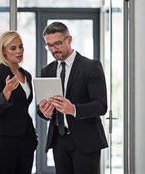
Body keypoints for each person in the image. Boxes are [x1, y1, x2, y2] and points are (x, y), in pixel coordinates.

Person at [37, 22, 108, 174]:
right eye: (49, 45)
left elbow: (101, 106)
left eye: (57, 43)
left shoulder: (91, 66)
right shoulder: (47, 70)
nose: (53, 50)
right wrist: (44, 112)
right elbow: (41, 108)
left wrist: (73, 109)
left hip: (86, 140)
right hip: (59, 140)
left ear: (69, 39)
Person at [0, 31, 38, 174]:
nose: (19, 51)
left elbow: (23, 107)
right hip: (3, 142)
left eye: (21, 47)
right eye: (13, 48)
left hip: (25, 141)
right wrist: (6, 92)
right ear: (4, 51)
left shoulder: (26, 74)